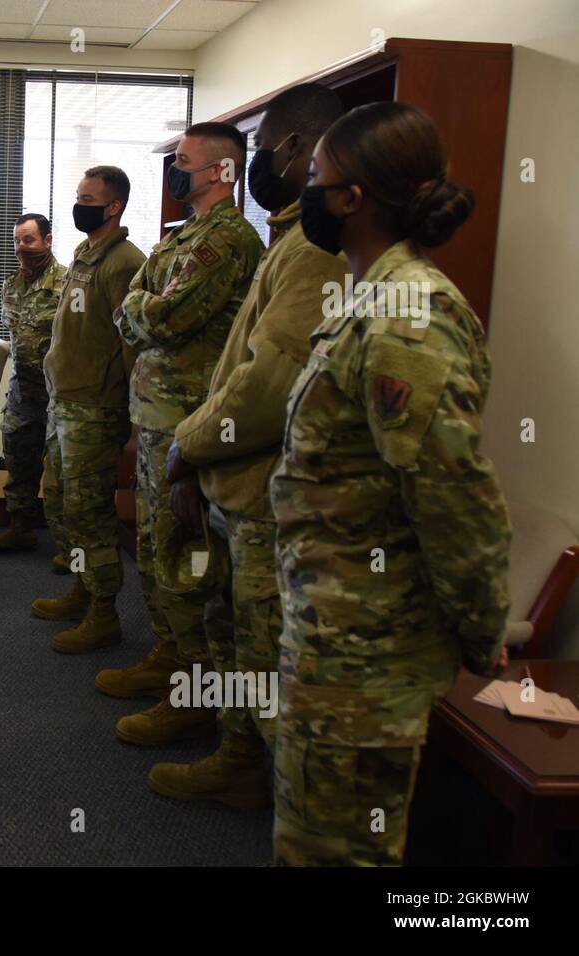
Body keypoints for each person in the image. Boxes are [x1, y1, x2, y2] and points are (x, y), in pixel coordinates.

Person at [270, 101, 511, 865]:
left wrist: (483, 628)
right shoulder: (371, 297)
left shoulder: (411, 315)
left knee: (335, 849)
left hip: (366, 654)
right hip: (336, 630)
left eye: (314, 177)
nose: (301, 192)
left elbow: (454, 495)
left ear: (353, 197)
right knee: (316, 829)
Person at [144, 85, 348, 809]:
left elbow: (266, 383)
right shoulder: (287, 238)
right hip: (231, 479)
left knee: (262, 659)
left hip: (261, 491)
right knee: (227, 628)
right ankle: (235, 757)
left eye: (263, 149)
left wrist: (187, 446)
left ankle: (286, 806)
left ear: (295, 152)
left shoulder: (314, 252)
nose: (258, 162)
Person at [100, 123, 264, 748]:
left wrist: (142, 308)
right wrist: (143, 308)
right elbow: (139, 306)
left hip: (191, 427)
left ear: (222, 171)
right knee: (154, 546)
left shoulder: (227, 239)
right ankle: (169, 660)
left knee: (187, 561)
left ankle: (193, 697)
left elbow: (161, 316)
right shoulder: (184, 236)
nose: (175, 170)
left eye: (185, 161)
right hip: (156, 418)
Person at [33, 166, 145, 653]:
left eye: (88, 197)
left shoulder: (125, 263)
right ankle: (83, 587)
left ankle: (104, 614)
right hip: (66, 402)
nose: (79, 204)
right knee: (60, 505)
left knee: (90, 512)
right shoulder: (85, 254)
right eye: (78, 195)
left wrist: (134, 419)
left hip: (96, 409)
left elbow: (133, 345)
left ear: (114, 205)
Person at [0, 214, 68, 552]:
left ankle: (68, 547)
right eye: (18, 241)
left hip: (58, 392)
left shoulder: (68, 284)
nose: (22, 248)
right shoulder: (11, 286)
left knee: (60, 473)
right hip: (24, 391)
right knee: (18, 458)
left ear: (47, 241)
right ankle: (20, 528)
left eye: (29, 240)